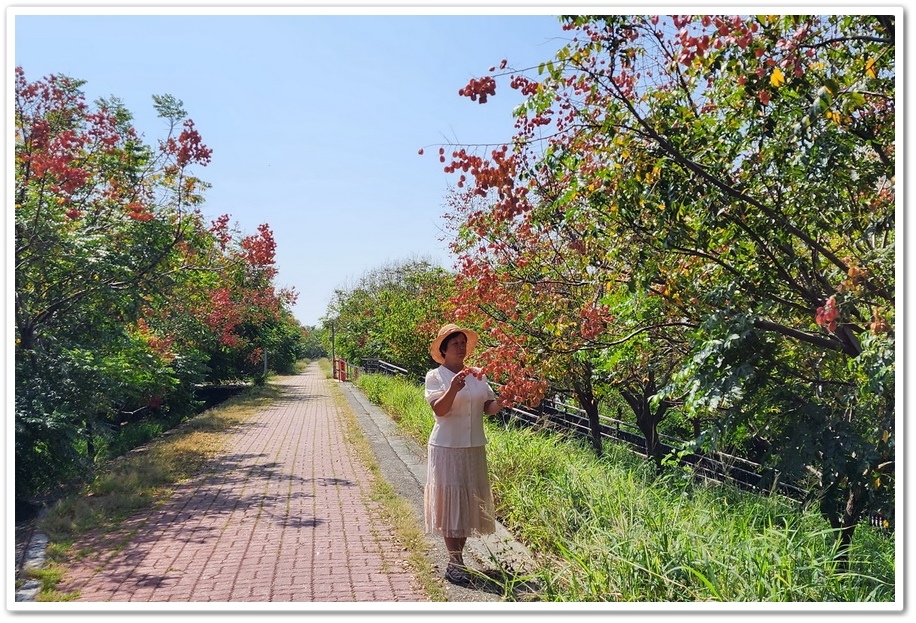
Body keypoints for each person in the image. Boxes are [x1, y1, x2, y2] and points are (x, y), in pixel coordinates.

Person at [424, 323, 511, 586]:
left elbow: (489, 408)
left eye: (463, 343)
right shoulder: (435, 376)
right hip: (447, 448)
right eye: (455, 344)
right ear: (444, 349)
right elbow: (440, 410)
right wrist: (453, 388)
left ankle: (458, 560)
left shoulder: (477, 376)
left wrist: (508, 398)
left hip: (474, 447)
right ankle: (454, 562)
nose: (461, 347)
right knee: (451, 505)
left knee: (465, 504)